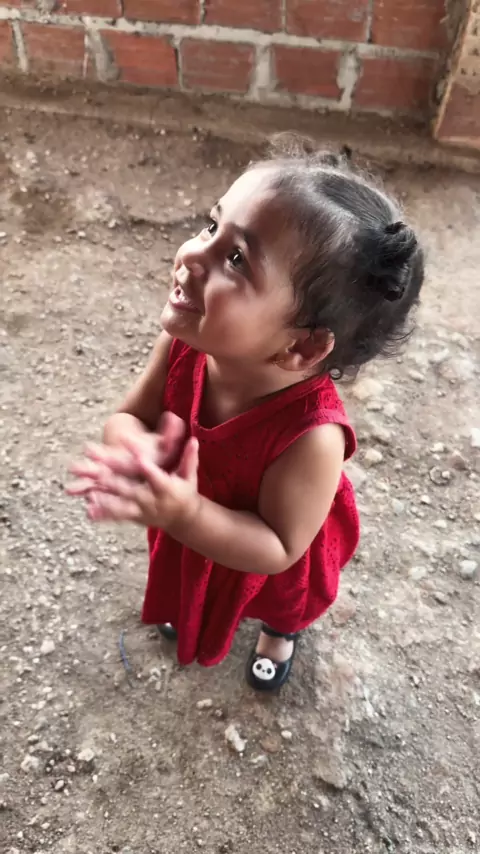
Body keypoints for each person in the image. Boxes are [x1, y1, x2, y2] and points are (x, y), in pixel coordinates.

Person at [67, 138, 424, 691]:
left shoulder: (313, 437)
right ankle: (196, 606)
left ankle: (280, 634)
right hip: (192, 519)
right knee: (201, 580)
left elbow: (279, 547)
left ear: (303, 346)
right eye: (212, 226)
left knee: (282, 603)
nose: (192, 254)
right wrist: (134, 448)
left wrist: (187, 515)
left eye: (236, 259)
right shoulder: (184, 346)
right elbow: (129, 416)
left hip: (263, 555)